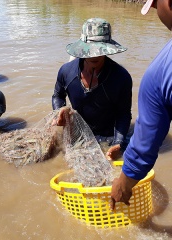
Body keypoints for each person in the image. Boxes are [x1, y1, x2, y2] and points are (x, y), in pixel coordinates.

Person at [110, 0, 172, 210]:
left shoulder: (155, 74)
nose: (155, 10)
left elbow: (143, 140)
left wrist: (123, 185)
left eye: (155, 4)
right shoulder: (69, 73)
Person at [52, 18, 133, 160]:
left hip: (108, 135)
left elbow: (124, 114)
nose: (95, 54)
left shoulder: (121, 78)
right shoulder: (66, 71)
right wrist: (59, 111)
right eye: (91, 50)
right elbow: (58, 96)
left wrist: (118, 143)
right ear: (83, 47)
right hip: (78, 132)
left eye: (100, 49)